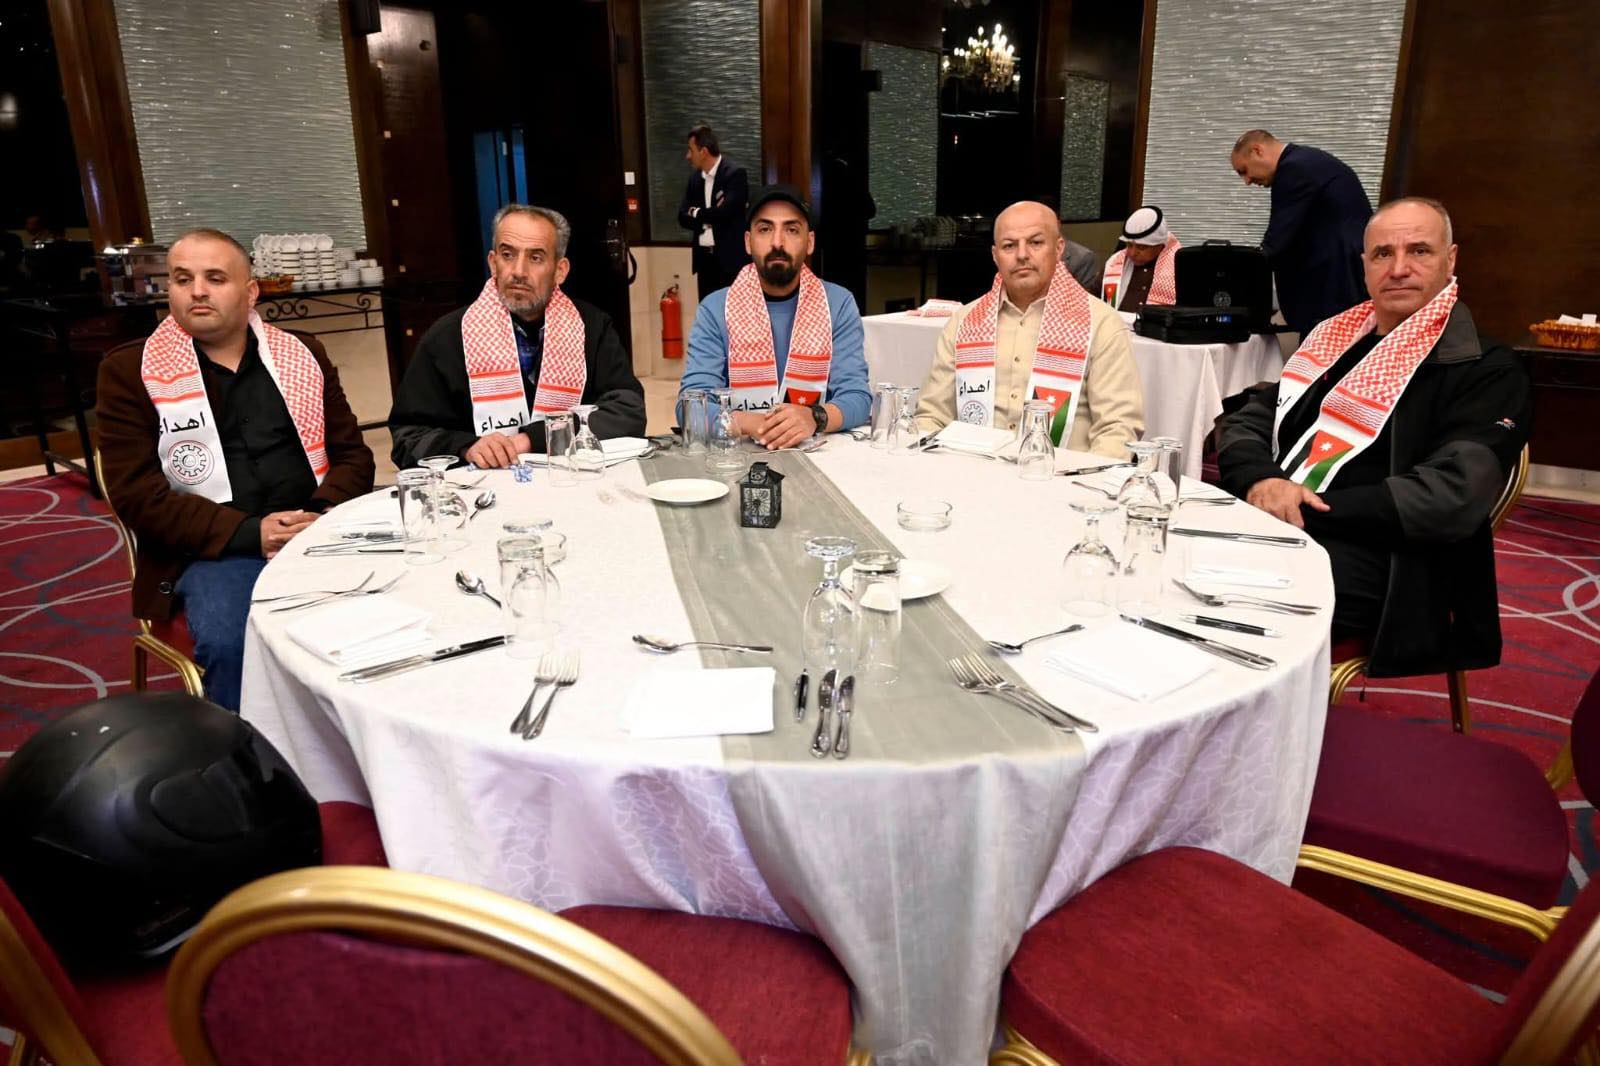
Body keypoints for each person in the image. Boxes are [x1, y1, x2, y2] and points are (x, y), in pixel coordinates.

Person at [1215, 198, 1532, 677]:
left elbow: (1451, 495)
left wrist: (1307, 505)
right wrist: (1263, 480)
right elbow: (1248, 420)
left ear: (1450, 260)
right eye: (1383, 253)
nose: (1399, 269)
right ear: (1364, 265)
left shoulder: (1485, 368)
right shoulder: (1336, 340)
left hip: (1396, 562)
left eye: (1419, 251)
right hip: (1281, 518)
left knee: (1227, 601)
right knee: (1155, 553)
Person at [96, 228, 374, 711]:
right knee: (236, 641)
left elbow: (353, 456)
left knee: (408, 601)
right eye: (183, 279)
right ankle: (250, 754)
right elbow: (138, 496)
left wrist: (320, 513)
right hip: (210, 549)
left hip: (315, 529)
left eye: (215, 278)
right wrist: (251, 533)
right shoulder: (130, 371)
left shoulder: (302, 354)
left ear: (250, 292)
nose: (197, 291)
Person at [388, 204, 646, 469]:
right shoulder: (448, 337)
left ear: (560, 271)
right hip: (484, 486)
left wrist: (530, 440)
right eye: (508, 255)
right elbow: (408, 437)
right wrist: (465, 447)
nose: (519, 271)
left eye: (535, 258)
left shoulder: (590, 328)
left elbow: (628, 413)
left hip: (572, 481)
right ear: (493, 263)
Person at [913, 200, 1144, 455]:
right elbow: (932, 417)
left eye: (1035, 242)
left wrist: (1080, 477)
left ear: (1059, 248)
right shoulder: (965, 322)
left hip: (1061, 474)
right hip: (971, 467)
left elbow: (1117, 429)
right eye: (1009, 245)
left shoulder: (1100, 324)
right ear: (995, 256)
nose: (1022, 255)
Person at [679, 184, 871, 448]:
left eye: (791, 230)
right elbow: (690, 406)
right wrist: (755, 423)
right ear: (748, 241)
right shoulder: (715, 308)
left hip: (816, 451)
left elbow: (857, 396)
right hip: (738, 453)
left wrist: (814, 417)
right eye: (765, 229)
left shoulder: (837, 303)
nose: (777, 242)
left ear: (810, 242)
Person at [1230, 130, 1372, 339]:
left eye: (1244, 170)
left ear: (1257, 150)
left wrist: (1234, 273)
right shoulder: (1308, 160)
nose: (1247, 181)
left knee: (1320, 353)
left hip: (1334, 288)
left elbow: (1278, 238)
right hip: (1346, 281)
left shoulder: (1293, 169)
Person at [677, 124, 750, 300]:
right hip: (704, 261)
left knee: (733, 311)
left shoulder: (734, 175)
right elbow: (682, 217)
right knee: (707, 311)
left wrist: (696, 213)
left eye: (691, 150)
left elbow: (726, 213)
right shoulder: (695, 180)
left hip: (729, 262)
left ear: (703, 151)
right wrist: (709, 214)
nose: (688, 156)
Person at [1101, 205, 1181, 313]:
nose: (1133, 253)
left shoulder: (1178, 268)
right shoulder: (1114, 263)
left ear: (1160, 245)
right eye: (1129, 245)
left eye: (1142, 247)